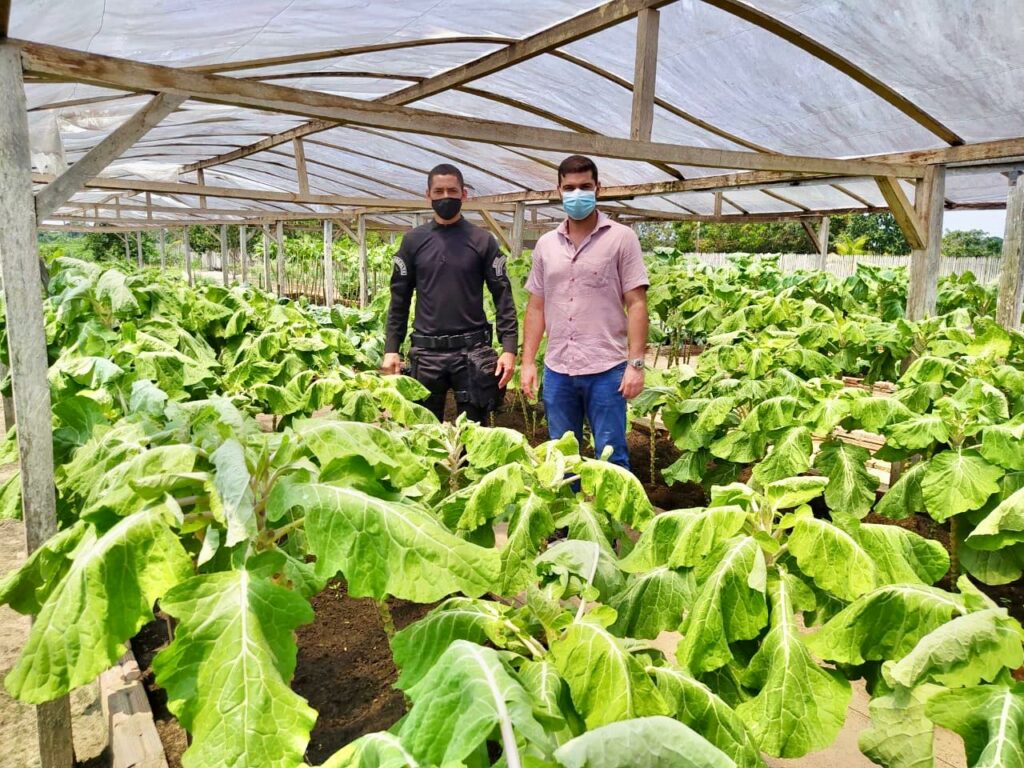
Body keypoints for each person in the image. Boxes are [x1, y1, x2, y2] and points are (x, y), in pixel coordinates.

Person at [520, 155, 649, 470]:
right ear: (559, 190)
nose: (577, 194)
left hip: (606, 369)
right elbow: (536, 306)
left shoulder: (621, 238)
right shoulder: (546, 244)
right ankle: (570, 504)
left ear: (598, 189)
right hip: (558, 369)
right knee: (562, 457)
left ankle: (610, 505)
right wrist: (528, 362)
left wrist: (636, 365)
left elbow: (637, 303)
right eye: (570, 188)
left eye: (585, 186)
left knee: (612, 455)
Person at [382, 163, 518, 422]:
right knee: (423, 432)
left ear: (463, 194)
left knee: (474, 435)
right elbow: (399, 299)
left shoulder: (482, 240)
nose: (446, 197)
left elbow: (503, 297)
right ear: (428, 195)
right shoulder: (413, 241)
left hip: (471, 353)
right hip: (426, 353)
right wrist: (392, 348)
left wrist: (509, 348)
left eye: (452, 191)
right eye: (439, 191)